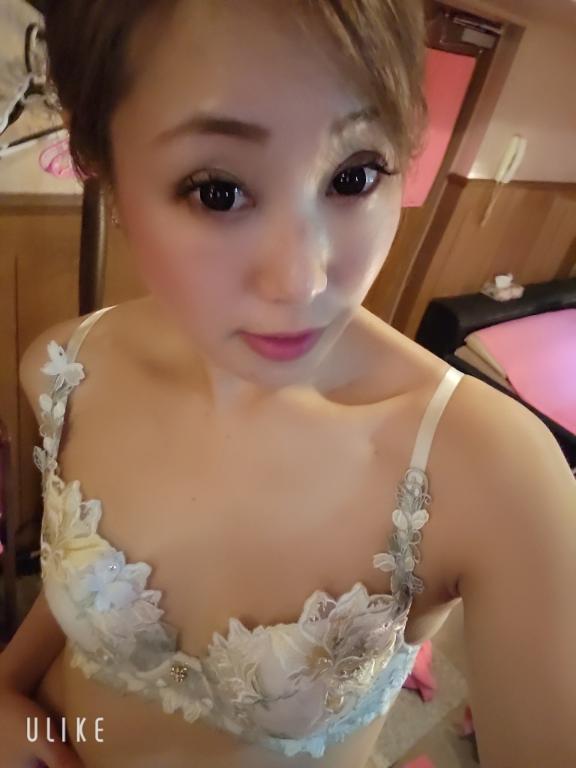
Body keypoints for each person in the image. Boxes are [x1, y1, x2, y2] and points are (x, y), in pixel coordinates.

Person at [1, 1, 575, 767]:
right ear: (100, 165)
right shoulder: (66, 369)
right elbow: (74, 586)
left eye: (354, 175)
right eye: (218, 191)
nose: (303, 281)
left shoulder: (494, 475)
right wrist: (7, 693)